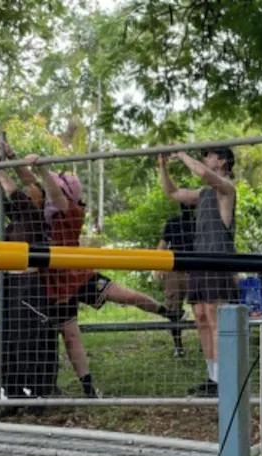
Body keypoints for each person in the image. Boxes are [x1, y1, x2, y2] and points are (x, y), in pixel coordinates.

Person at [26, 155, 182, 398]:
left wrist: (42, 167)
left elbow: (53, 192)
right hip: (55, 284)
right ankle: (88, 388)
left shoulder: (72, 211)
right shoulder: (40, 214)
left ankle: (167, 312)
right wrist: (16, 162)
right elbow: (33, 185)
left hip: (78, 273)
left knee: (123, 295)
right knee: (70, 335)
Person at [158, 147, 240, 397]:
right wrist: (163, 166)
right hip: (199, 262)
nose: (206, 159)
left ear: (222, 162)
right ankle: (212, 378)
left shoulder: (226, 188)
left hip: (218, 261)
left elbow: (204, 174)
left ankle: (224, 380)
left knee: (215, 319)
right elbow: (173, 193)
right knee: (201, 318)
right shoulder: (203, 193)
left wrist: (182, 154)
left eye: (210, 155)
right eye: (204, 156)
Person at [0, 139, 59, 407]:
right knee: (10, 336)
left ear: (40, 199)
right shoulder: (15, 218)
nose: (30, 191)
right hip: (10, 284)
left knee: (29, 337)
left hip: (29, 285)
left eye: (34, 189)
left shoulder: (34, 215)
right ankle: (13, 390)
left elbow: (11, 188)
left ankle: (36, 390)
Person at [155, 203, 195, 357]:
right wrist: (157, 267)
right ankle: (178, 347)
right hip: (174, 270)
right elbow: (162, 246)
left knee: (202, 308)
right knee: (173, 309)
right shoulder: (173, 222)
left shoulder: (199, 223)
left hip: (195, 270)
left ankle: (205, 344)